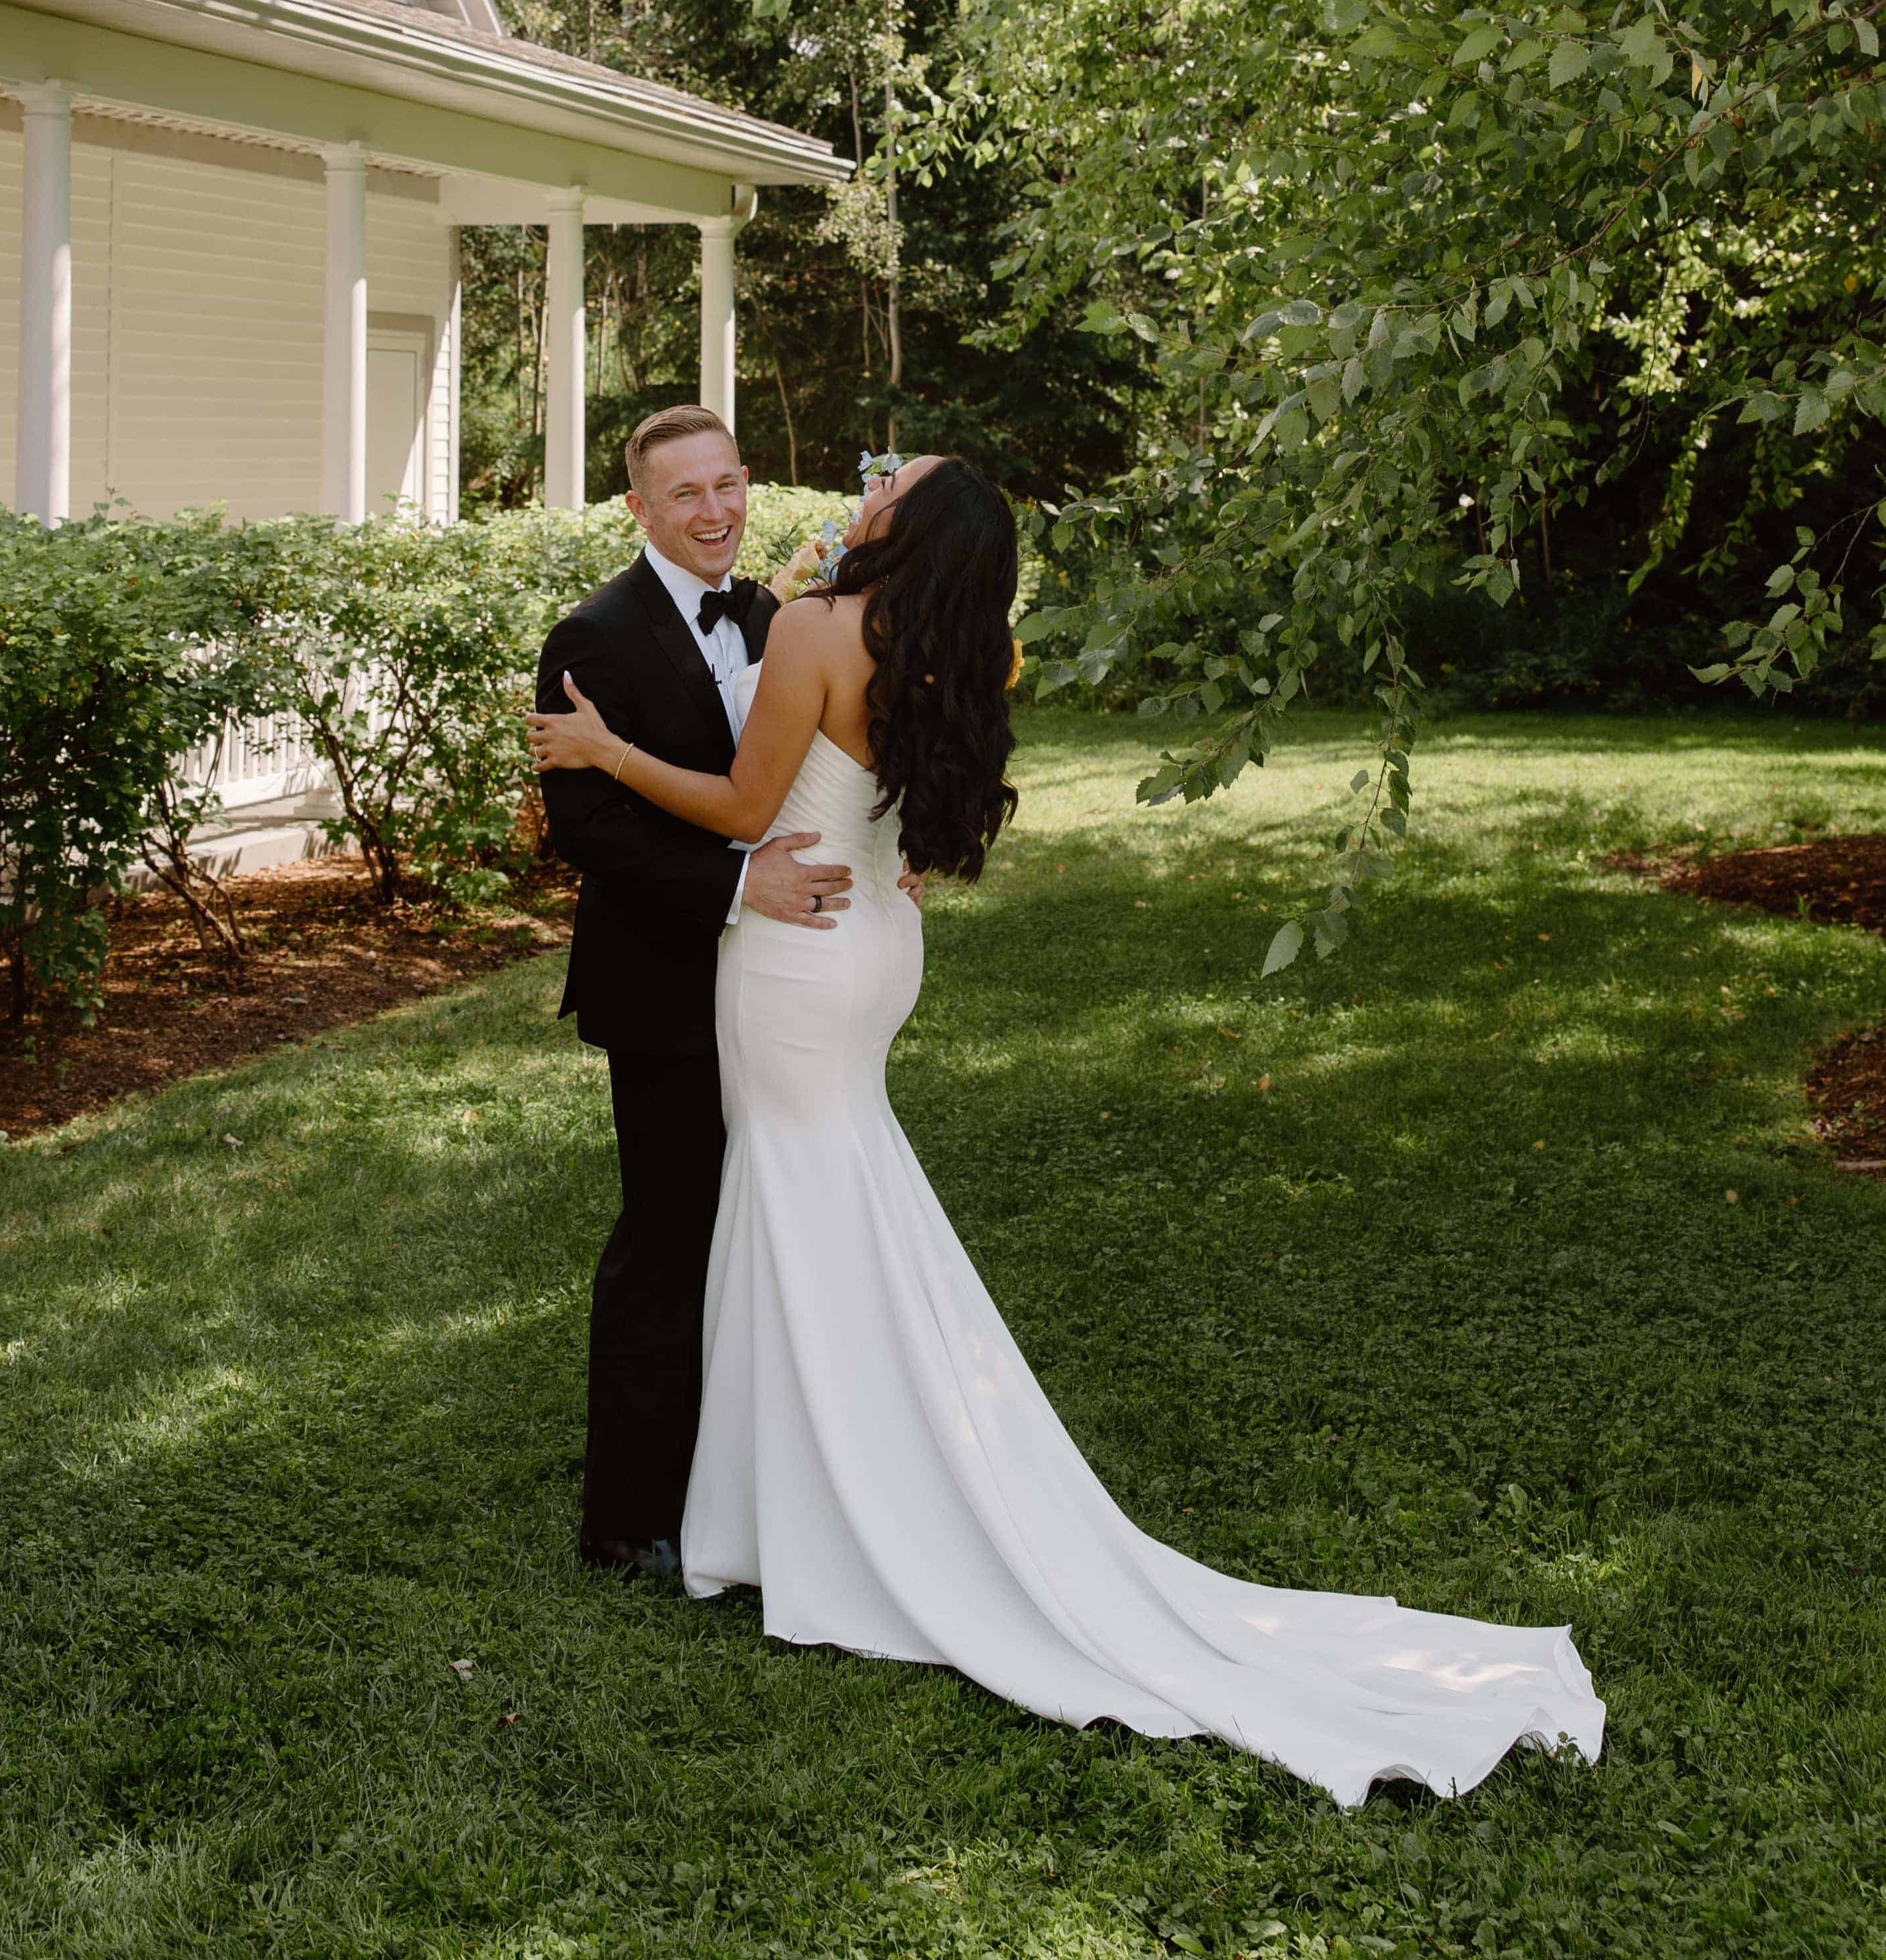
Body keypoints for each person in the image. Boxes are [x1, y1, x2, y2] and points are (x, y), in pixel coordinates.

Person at [531, 452, 1607, 1806]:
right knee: (834, 1202)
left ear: (904, 525)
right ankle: (785, 1496)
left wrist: (608, 752)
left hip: (794, 964)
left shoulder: (809, 625)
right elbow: (896, 812)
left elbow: (748, 813)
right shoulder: (949, 647)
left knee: (805, 1206)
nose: (860, 487)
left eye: (886, 479)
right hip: (870, 944)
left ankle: (827, 1511)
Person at [535, 404, 848, 1581]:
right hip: (662, 979)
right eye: (685, 495)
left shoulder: (777, 615)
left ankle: (751, 1478)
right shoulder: (592, 636)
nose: (714, 512)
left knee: (765, 1221)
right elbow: (587, 831)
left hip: (781, 987)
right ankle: (627, 1519)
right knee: (668, 1236)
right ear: (639, 511)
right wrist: (735, 886)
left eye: (729, 485)